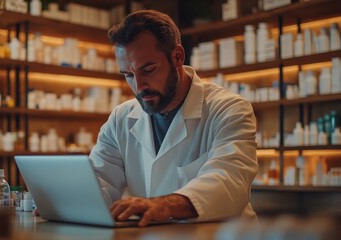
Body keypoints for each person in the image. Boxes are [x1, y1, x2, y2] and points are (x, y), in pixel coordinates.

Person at [89, 9, 258, 227]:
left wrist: (166, 205)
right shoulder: (121, 118)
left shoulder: (228, 109)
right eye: (128, 75)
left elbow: (229, 180)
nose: (138, 86)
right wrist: (67, 199)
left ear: (177, 57)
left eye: (148, 69)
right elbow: (99, 179)